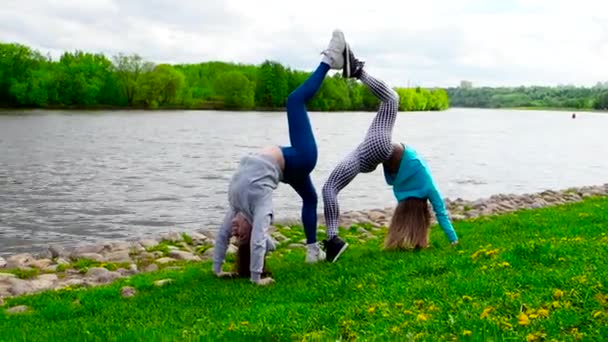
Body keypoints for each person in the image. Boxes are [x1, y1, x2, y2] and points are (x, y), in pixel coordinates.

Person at [213, 30, 347, 285]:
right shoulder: (258, 205)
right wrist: (256, 277)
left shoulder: (237, 204)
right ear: (250, 231)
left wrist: (218, 270)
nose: (234, 231)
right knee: (294, 101)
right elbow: (260, 236)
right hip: (301, 158)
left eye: (235, 234)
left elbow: (221, 236)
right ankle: (330, 59)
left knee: (310, 197)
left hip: (287, 167)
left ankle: (311, 251)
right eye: (239, 236)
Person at [321, 46, 458, 262]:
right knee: (329, 187)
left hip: (379, 146)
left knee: (392, 99)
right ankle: (333, 243)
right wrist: (453, 240)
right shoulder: (415, 195)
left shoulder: (425, 182)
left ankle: (356, 70)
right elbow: (440, 212)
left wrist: (454, 239)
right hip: (366, 156)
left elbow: (441, 210)